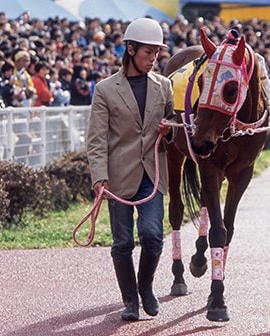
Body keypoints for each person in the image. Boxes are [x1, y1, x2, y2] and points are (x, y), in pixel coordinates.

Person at [86, 17, 175, 322]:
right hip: (117, 177)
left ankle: (145, 287)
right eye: (148, 52)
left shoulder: (164, 86)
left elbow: (174, 126)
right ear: (131, 49)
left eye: (157, 53)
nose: (153, 58)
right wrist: (99, 177)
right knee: (122, 243)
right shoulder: (105, 89)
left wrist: (170, 130)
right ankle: (130, 302)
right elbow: (96, 139)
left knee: (152, 236)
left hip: (152, 173)